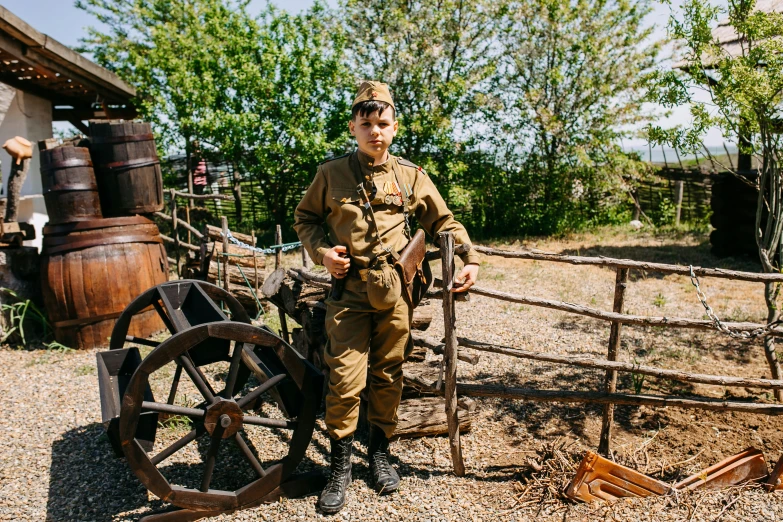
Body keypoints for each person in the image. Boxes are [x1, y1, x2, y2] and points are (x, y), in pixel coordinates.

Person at [293, 81, 480, 514]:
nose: (374, 131)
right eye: (366, 123)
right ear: (353, 127)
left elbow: (443, 221)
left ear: (394, 127)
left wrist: (470, 258)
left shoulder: (411, 176)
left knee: (389, 373)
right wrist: (322, 252)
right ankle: (340, 468)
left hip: (396, 292)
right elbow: (305, 218)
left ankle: (379, 454)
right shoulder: (331, 174)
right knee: (343, 379)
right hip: (349, 292)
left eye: (382, 123)